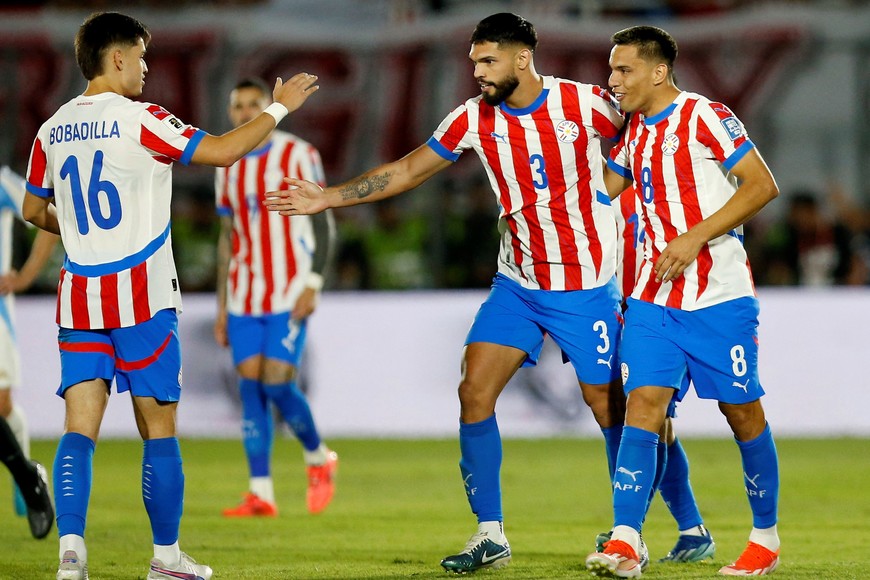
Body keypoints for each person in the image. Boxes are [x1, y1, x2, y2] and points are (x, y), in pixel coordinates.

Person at [266, 12, 629, 574]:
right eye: (474, 61)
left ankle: (645, 527)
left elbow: (645, 139)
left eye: (488, 61)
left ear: (522, 58)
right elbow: (410, 170)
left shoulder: (585, 104)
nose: (477, 72)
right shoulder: (474, 119)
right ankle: (491, 534)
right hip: (519, 285)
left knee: (611, 408)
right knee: (473, 392)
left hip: (585, 286)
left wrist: (622, 196)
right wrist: (328, 198)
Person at [22, 11, 318, 580]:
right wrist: (279, 109)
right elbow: (227, 151)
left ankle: (71, 556)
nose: (146, 66)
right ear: (117, 59)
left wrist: (84, 233)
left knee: (78, 428)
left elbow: (36, 211)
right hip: (141, 299)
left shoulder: (50, 128)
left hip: (80, 296)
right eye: (140, 55)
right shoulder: (143, 120)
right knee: (158, 429)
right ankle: (164, 559)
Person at [585, 25, 780, 578]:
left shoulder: (706, 115)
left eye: (623, 70)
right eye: (611, 69)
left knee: (742, 414)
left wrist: (696, 235)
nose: (613, 80)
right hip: (651, 297)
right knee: (641, 405)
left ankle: (764, 537)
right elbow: (601, 191)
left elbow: (762, 185)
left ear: (657, 71)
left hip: (719, 296)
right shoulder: (633, 133)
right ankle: (626, 539)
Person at [214, 78, 338, 518]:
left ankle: (318, 456)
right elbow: (227, 237)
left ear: (269, 106)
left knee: (275, 383)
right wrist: (222, 305)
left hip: (289, 289)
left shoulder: (298, 154)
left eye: (254, 104)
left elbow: (323, 222)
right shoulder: (225, 162)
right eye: (238, 106)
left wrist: (314, 281)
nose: (246, 112)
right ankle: (261, 491)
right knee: (250, 389)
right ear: (230, 112)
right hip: (245, 294)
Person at [606, 185, 715, 564]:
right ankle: (691, 528)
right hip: (630, 308)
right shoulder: (614, 184)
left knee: (645, 417)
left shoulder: (678, 184)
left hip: (667, 311)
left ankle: (629, 530)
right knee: (656, 423)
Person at [0, 165, 59, 518]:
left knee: (1, 407)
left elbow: (48, 218)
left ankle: (27, 477)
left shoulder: (3, 182)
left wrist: (24, 277)